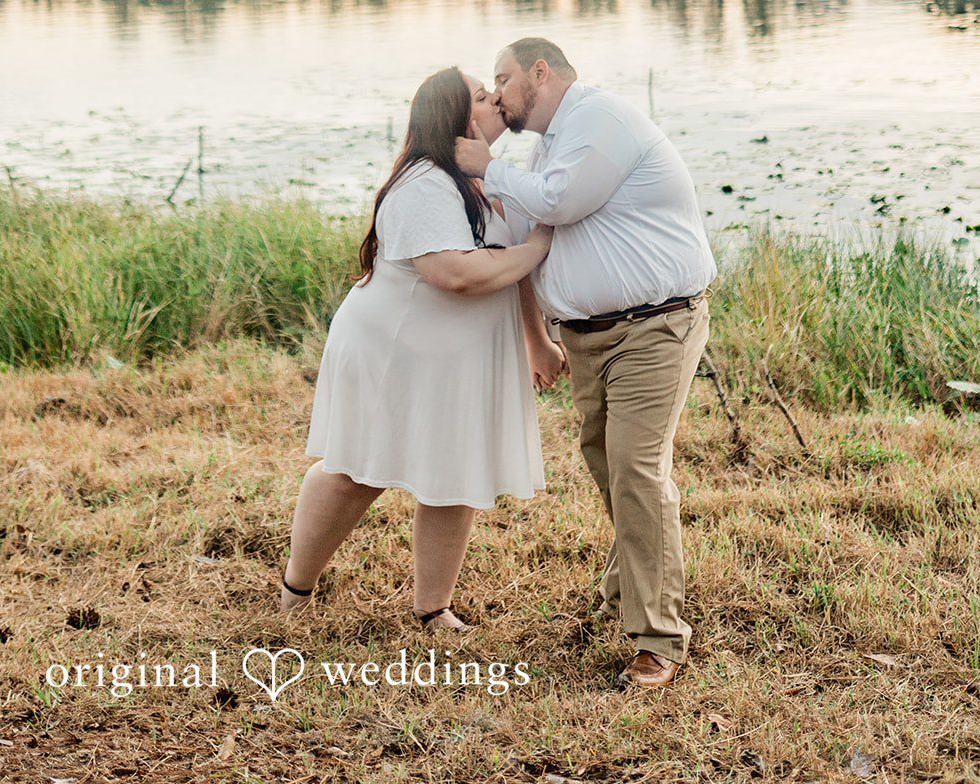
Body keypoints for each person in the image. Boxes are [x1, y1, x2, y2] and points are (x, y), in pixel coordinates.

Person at [456, 36, 717, 688]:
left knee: (634, 469)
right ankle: (627, 585)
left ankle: (659, 638)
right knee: (607, 463)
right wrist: (534, 337)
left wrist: (487, 165)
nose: (497, 95)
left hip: (653, 325)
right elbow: (523, 233)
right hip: (588, 338)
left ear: (538, 73)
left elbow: (559, 201)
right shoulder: (548, 146)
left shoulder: (600, 120)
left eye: (502, 79)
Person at [280, 66, 565, 632]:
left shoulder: (497, 176)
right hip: (393, 347)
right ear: (458, 119)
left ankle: (433, 608)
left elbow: (510, 273)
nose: (497, 100)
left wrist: (539, 341)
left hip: (453, 356)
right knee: (357, 468)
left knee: (454, 467)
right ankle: (296, 590)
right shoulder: (423, 183)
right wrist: (538, 246)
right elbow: (455, 272)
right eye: (483, 97)